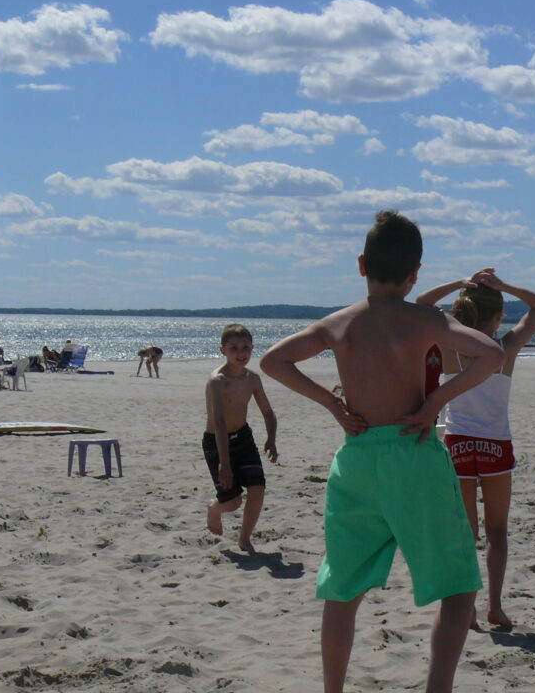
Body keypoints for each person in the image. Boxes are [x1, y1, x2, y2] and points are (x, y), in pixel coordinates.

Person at [259, 210, 504, 693]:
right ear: (415, 275)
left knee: (343, 588)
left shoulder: (340, 323)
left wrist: (332, 403)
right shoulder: (426, 319)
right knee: (457, 588)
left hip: (357, 457)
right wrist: (436, 401)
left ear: (361, 265)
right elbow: (491, 356)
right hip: (413, 453)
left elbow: (273, 361)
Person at [416, 268, 535, 629]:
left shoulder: (450, 347)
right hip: (495, 447)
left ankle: (468, 610)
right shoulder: (505, 348)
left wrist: (460, 283)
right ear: (499, 315)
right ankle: (495, 607)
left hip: (458, 445)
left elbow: (422, 303)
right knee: (497, 532)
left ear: (461, 312)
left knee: (466, 533)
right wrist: (503, 285)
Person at [203, 324, 277, 552]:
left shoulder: (252, 379)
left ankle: (244, 539)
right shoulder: (218, 380)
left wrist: (271, 439)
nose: (241, 352)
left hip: (243, 438)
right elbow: (220, 422)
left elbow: (268, 412)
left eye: (245, 347)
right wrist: (225, 463)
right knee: (232, 502)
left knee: (257, 489)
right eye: (234, 348)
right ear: (223, 350)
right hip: (217, 442)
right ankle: (214, 509)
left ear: (252, 348)